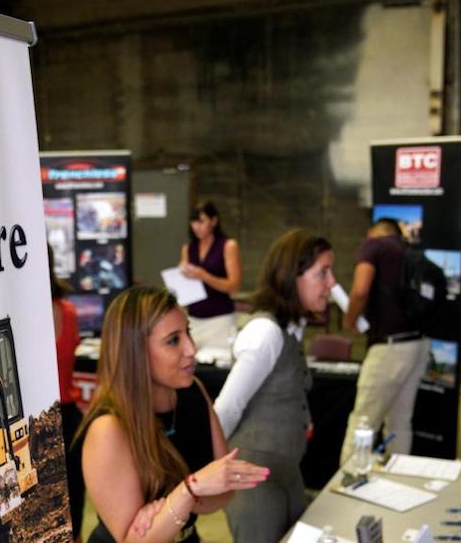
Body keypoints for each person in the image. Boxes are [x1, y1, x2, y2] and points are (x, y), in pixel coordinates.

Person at [76, 287, 266, 542]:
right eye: (173, 340)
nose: (191, 349)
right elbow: (133, 540)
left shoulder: (193, 392)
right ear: (135, 353)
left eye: (188, 332)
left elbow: (224, 490)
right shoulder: (108, 428)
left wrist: (176, 505)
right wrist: (189, 491)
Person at [215, 229, 335, 542]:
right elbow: (227, 407)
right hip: (255, 477)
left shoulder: (292, 329)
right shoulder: (265, 332)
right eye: (322, 272)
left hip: (286, 470)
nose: (332, 283)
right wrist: (212, 474)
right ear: (292, 276)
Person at [340, 218, 428, 463]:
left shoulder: (373, 245)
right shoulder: (409, 251)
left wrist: (349, 321)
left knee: (363, 419)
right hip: (418, 343)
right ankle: (398, 477)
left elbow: (359, 290)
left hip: (389, 348)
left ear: (371, 232)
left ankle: (349, 479)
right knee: (400, 419)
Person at [49, 245, 85, 541]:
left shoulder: (25, 316)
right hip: (72, 418)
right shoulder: (68, 311)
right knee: (74, 505)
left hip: (44, 422)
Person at [179, 201, 241, 350]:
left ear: (213, 221)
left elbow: (234, 286)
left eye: (201, 222)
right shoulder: (188, 248)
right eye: (194, 222)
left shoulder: (228, 245)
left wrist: (205, 276)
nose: (196, 227)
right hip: (193, 317)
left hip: (220, 318)